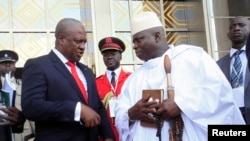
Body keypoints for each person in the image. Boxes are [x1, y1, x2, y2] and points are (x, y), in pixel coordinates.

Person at [114, 11, 245, 141]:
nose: (134, 46)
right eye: (133, 42)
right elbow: (121, 110)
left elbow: (219, 93)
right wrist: (130, 114)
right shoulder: (133, 79)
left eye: (138, 40)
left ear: (157, 36)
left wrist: (181, 105)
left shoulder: (192, 57)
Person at [21, 18, 114, 141]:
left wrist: (108, 136)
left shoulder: (87, 71)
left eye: (84, 42)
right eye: (78, 41)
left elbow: (97, 106)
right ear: (61, 40)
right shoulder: (38, 66)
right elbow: (32, 107)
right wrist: (76, 109)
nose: (82, 47)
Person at [96, 37, 132, 141]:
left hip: (129, 133)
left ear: (120, 56)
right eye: (106, 54)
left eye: (113, 53)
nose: (109, 57)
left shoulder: (131, 79)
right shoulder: (95, 83)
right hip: (105, 137)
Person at [217, 16, 250, 124]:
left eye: (241, 25)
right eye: (232, 27)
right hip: (230, 117)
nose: (236, 28)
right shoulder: (217, 65)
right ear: (228, 35)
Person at [0, 50, 26, 141]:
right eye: (3, 62)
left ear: (15, 66)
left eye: (10, 62)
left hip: (20, 133)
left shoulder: (24, 85)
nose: (7, 65)